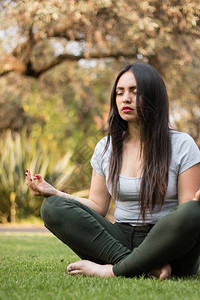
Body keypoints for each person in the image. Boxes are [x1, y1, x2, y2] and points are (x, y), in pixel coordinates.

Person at [25, 63, 200, 279]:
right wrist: (55, 193)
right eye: (120, 92)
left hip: (167, 248)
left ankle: (113, 270)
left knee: (194, 211)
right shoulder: (106, 148)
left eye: (134, 92)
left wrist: (196, 203)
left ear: (154, 96)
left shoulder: (182, 145)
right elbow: (97, 206)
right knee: (52, 207)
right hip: (120, 240)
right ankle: (144, 267)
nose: (125, 98)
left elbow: (185, 214)